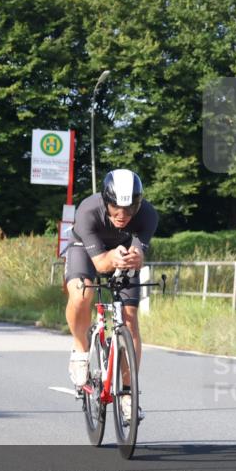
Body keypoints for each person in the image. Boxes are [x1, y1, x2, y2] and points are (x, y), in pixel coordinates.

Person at [65, 169, 158, 422]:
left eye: (130, 209)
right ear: (106, 201)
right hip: (85, 251)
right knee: (80, 293)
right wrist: (112, 258)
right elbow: (99, 264)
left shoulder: (148, 215)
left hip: (122, 254)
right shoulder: (87, 210)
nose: (122, 216)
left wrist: (137, 257)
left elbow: (138, 253)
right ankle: (80, 348)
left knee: (130, 319)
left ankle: (128, 395)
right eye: (116, 208)